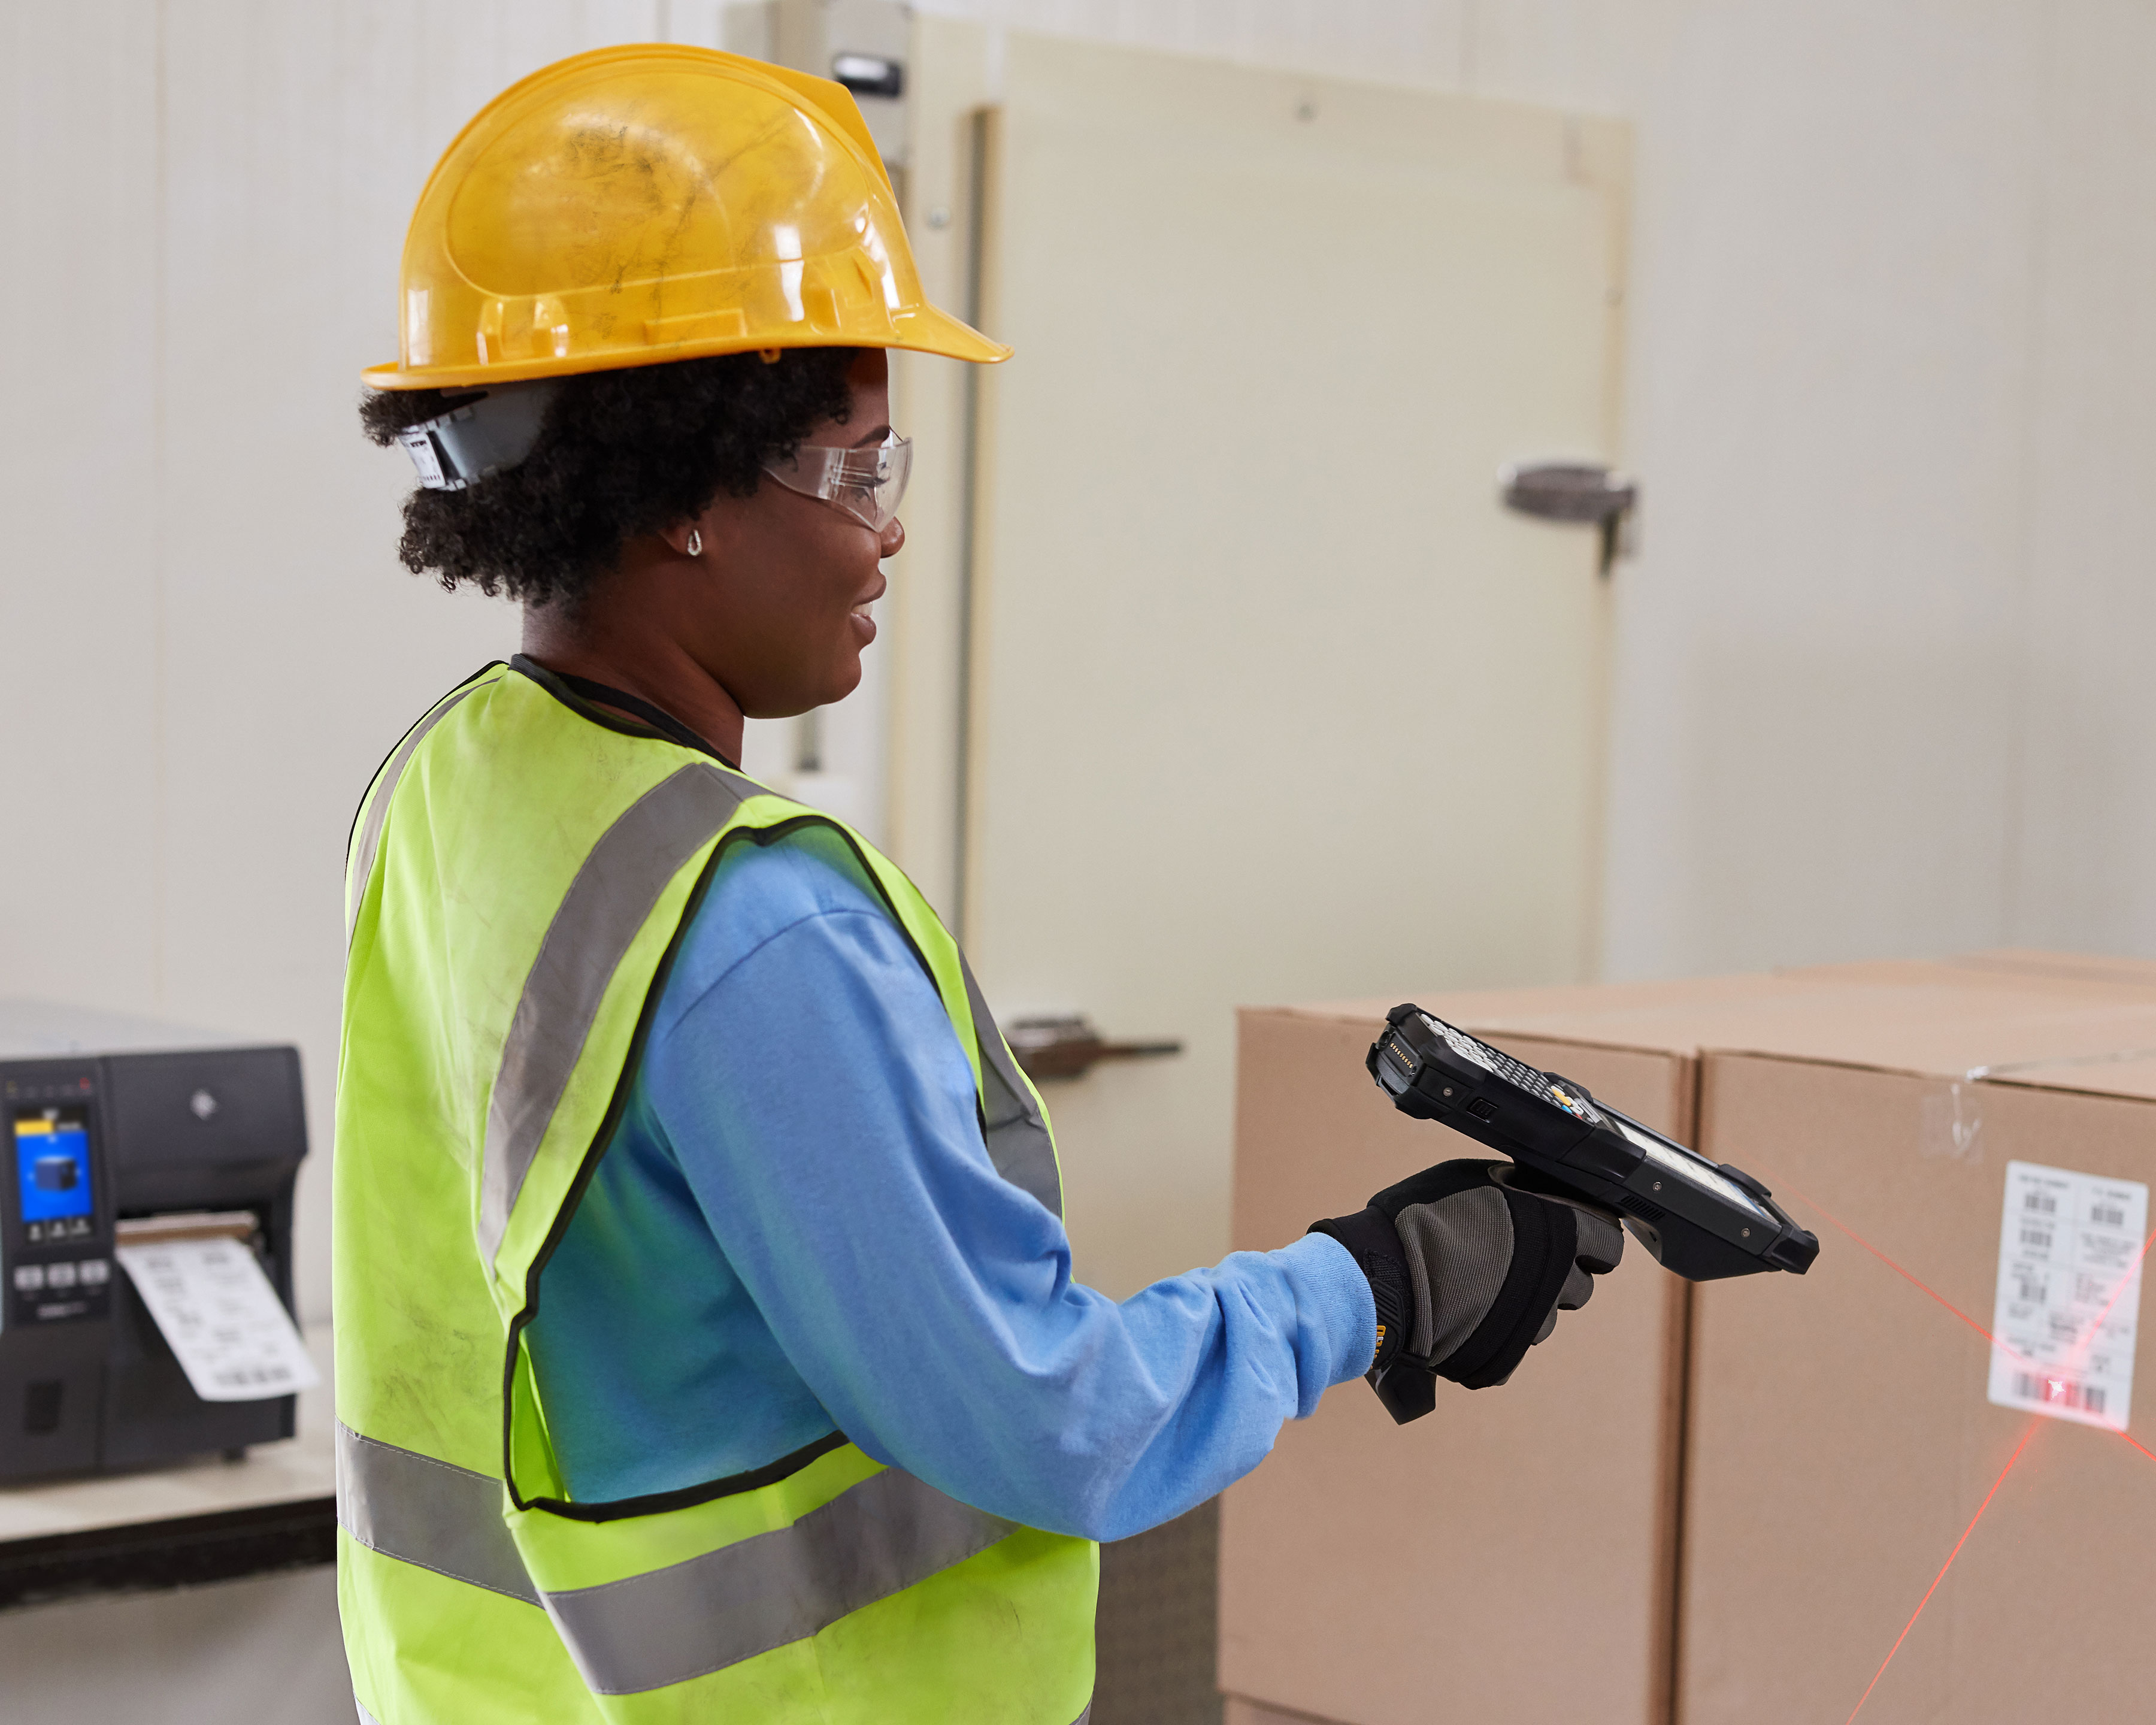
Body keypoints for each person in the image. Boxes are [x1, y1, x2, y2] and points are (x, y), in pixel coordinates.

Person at [334, 44, 1624, 1725]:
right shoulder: (746, 927)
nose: (883, 533)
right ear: (674, 497)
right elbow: (1049, 1422)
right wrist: (1381, 1284)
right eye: (854, 465)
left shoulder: (445, 794)